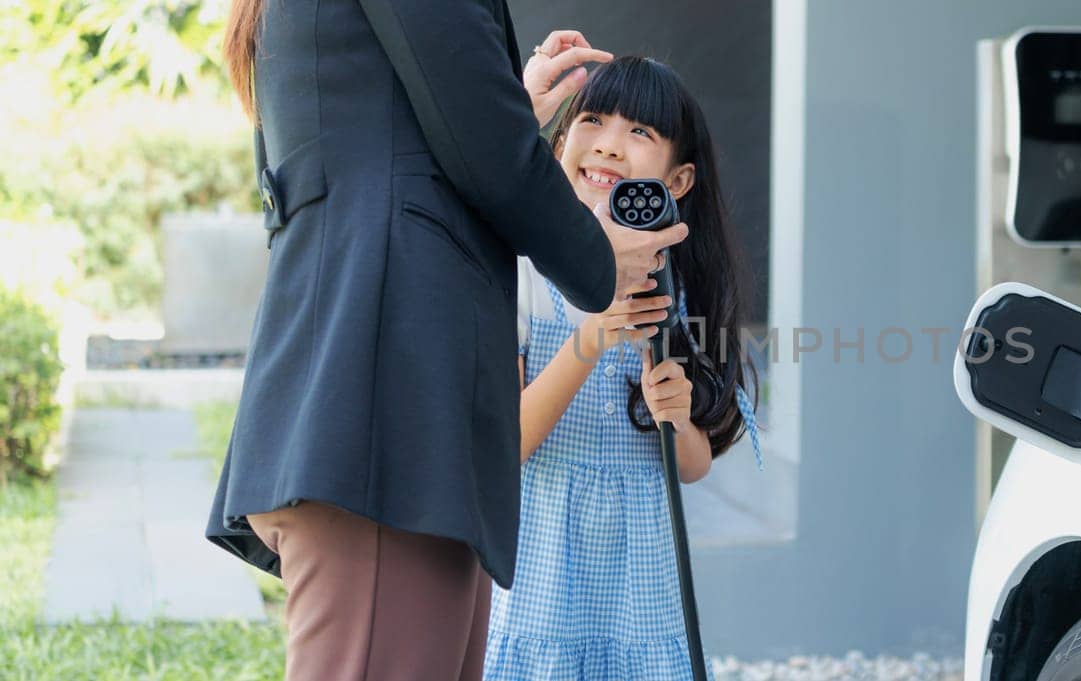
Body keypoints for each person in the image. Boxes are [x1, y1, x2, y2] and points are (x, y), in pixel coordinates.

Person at [205, 1, 686, 679]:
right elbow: (480, 155)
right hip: (392, 405)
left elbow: (387, 139)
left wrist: (506, 106)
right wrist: (603, 261)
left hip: (387, 400)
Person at [482, 57, 762, 680]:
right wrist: (595, 333)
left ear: (679, 179)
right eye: (593, 120)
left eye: (640, 133)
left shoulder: (674, 287)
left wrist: (678, 418)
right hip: (544, 570)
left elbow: (691, 465)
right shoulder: (524, 273)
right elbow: (508, 443)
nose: (609, 144)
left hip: (641, 578)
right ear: (559, 143)